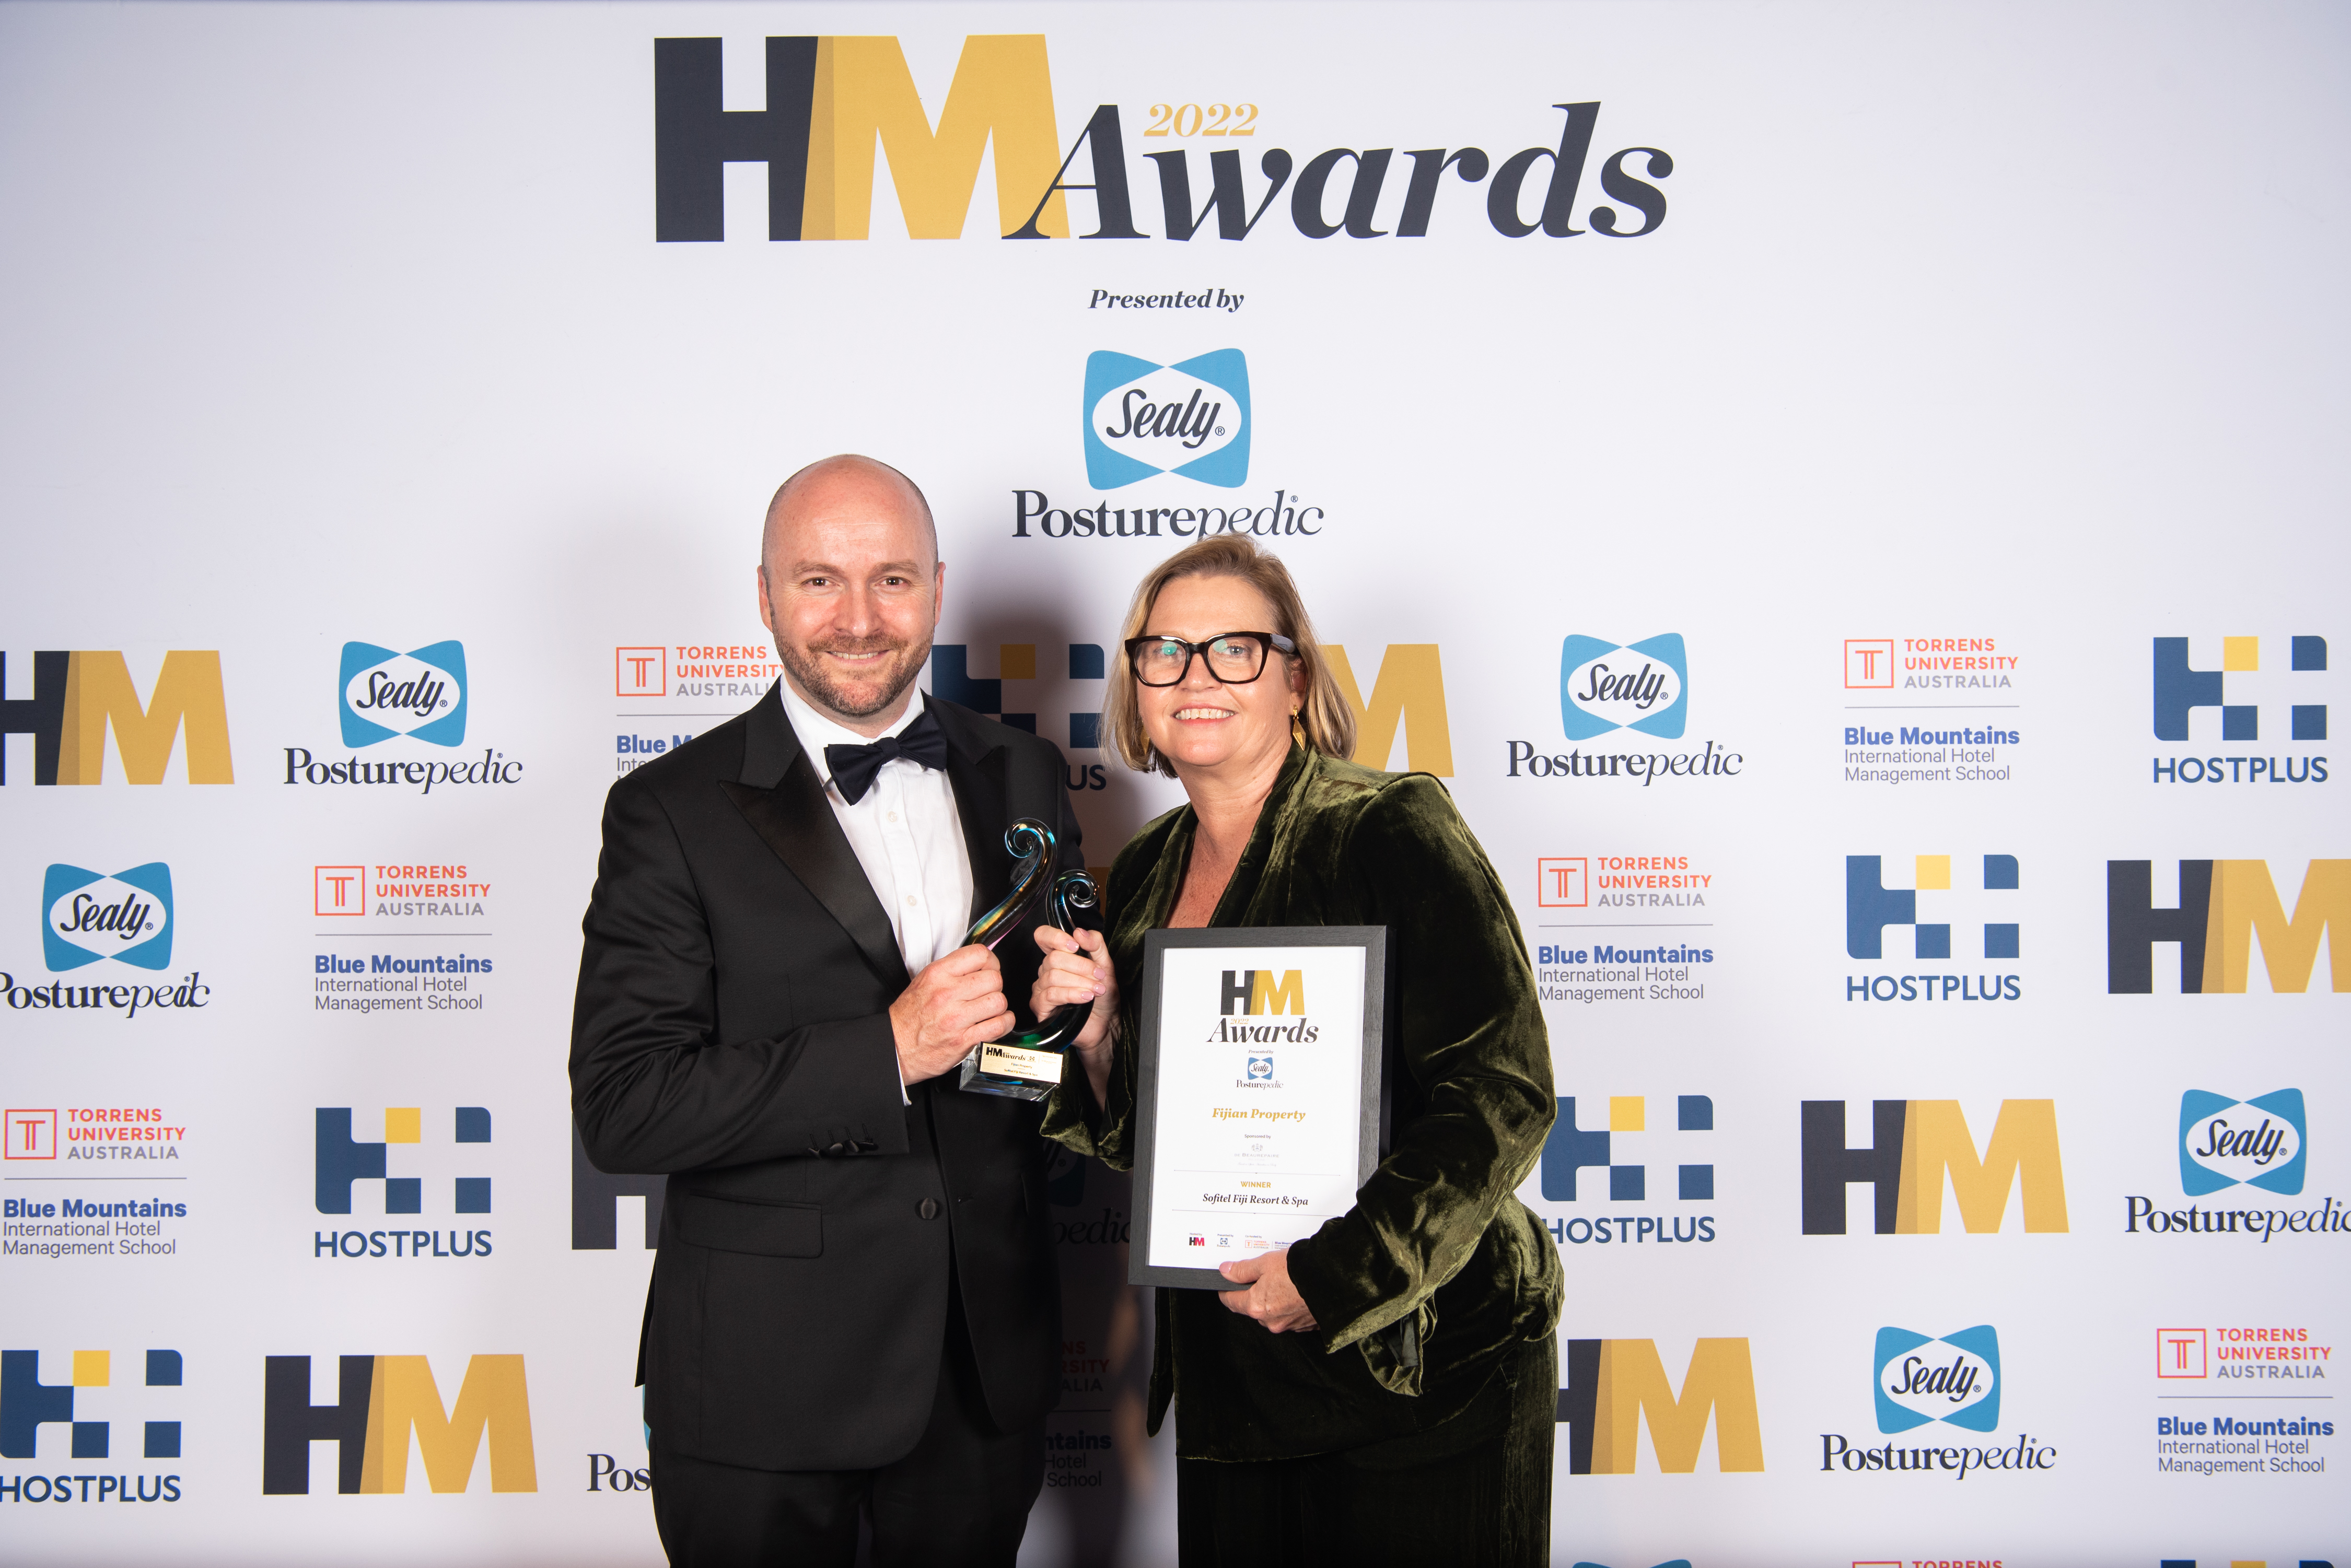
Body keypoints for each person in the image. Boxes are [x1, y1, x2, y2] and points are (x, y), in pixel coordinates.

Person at [570, 454, 1081, 1567]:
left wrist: (1078, 1031)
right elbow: (624, 1105)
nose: (858, 619)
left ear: (937, 589)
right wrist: (887, 1050)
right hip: (763, 1388)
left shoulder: (1024, 773)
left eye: (891, 579)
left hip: (978, 1379)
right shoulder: (667, 811)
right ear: (765, 596)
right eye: (819, 581)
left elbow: (1038, 1066)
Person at [1032, 534, 1563, 1567]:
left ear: (1297, 680)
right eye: (1165, 652)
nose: (1195, 677)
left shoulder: (1386, 826)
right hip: (1239, 1370)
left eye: (1234, 649)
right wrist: (1097, 1041)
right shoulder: (1141, 873)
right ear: (1136, 685)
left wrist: (1333, 1276)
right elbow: (1158, 1141)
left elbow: (1501, 1092)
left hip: (1422, 1361)